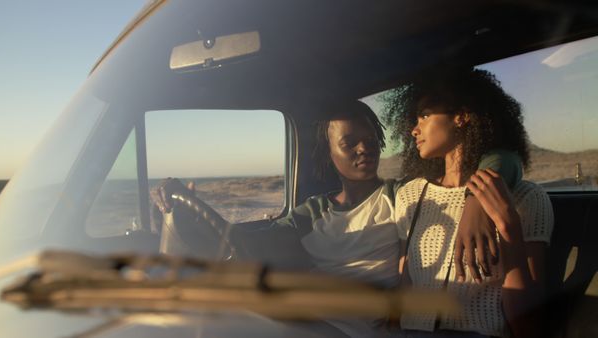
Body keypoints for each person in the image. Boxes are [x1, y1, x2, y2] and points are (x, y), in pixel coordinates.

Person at [150, 100, 522, 337]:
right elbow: (241, 242)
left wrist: (475, 197)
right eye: (349, 143)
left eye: (371, 139)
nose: (365, 148)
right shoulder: (312, 212)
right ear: (329, 155)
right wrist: (188, 206)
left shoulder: (401, 196)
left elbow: (505, 158)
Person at [387, 68, 554, 337]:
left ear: (462, 116)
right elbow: (405, 285)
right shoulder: (410, 195)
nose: (414, 129)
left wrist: (507, 224)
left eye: (425, 115)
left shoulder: (526, 197)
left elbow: (527, 326)